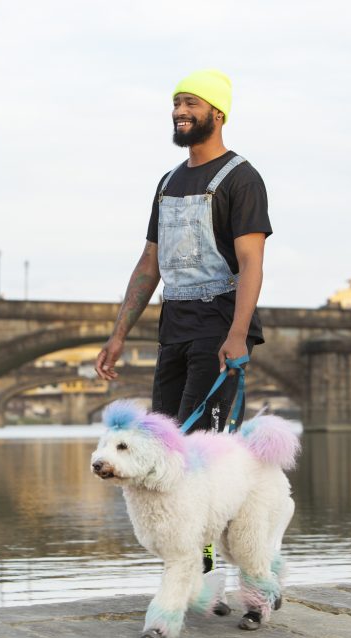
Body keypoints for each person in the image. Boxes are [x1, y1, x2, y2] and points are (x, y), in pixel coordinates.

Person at [95, 68, 272, 438]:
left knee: (201, 444)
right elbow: (149, 263)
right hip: (174, 325)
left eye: (191, 102)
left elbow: (251, 261)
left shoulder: (242, 178)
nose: (180, 111)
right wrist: (118, 335)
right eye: (176, 103)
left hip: (219, 325)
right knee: (163, 441)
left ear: (218, 114)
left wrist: (238, 334)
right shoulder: (167, 181)